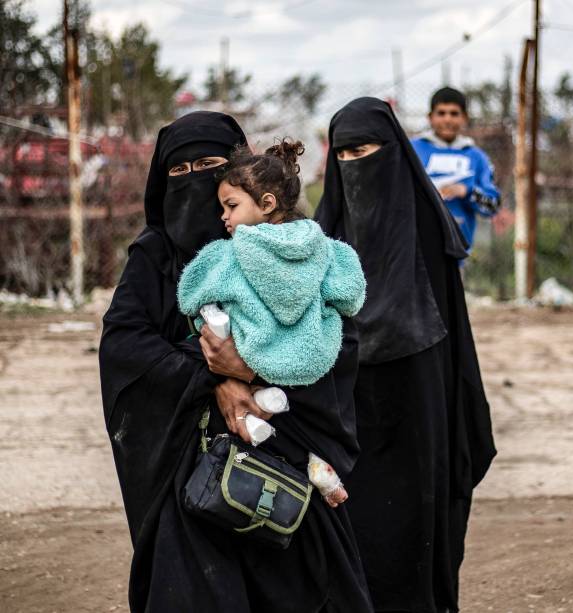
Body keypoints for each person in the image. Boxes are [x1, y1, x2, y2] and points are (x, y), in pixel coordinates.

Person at [99, 111, 373, 612]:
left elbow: (338, 341)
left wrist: (248, 367)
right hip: (193, 480)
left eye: (208, 165)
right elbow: (125, 345)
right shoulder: (156, 256)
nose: (192, 182)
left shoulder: (294, 246)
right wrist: (212, 377)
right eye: (177, 172)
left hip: (286, 468)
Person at [315, 97, 496, 613]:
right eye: (343, 155)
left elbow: (453, 339)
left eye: (364, 151)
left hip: (419, 410)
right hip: (348, 416)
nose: (354, 165)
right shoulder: (325, 240)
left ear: (392, 153)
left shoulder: (427, 231)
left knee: (416, 534)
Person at [177, 139, 367, 506]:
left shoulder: (228, 254)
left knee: (213, 323)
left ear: (266, 204)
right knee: (297, 419)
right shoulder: (326, 249)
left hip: (250, 355)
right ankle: (316, 464)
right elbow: (351, 295)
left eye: (231, 206)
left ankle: (277, 446)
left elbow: (191, 293)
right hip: (310, 357)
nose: (224, 217)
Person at [411, 86, 501, 254]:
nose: (447, 119)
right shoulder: (412, 150)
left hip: (457, 255)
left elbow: (493, 206)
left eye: (454, 113)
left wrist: (466, 191)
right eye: (441, 113)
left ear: (464, 117)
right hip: (415, 252)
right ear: (430, 117)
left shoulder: (477, 157)